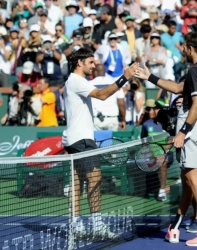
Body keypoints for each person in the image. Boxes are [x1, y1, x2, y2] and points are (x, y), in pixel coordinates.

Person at [134, 31, 197, 247]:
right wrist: (149, 77)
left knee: (193, 179)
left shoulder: (194, 71)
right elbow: (178, 88)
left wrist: (182, 132)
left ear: (190, 48)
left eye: (184, 47)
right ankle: (176, 225)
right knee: (189, 180)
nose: (182, 50)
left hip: (192, 131)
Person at [62, 47, 139, 239]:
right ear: (79, 63)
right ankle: (96, 226)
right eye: (90, 61)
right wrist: (125, 77)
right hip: (81, 139)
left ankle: (76, 225)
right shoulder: (76, 80)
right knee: (95, 178)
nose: (94, 64)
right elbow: (103, 94)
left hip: (78, 137)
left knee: (77, 181)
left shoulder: (74, 81)